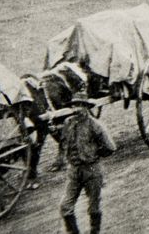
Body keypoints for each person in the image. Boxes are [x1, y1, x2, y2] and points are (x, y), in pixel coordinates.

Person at [59, 91, 116, 234]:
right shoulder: (68, 123)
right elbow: (63, 142)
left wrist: (93, 155)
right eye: (74, 106)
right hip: (73, 171)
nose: (76, 109)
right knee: (65, 207)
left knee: (94, 206)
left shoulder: (95, 125)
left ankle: (94, 232)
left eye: (80, 105)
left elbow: (110, 147)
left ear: (86, 107)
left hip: (92, 171)